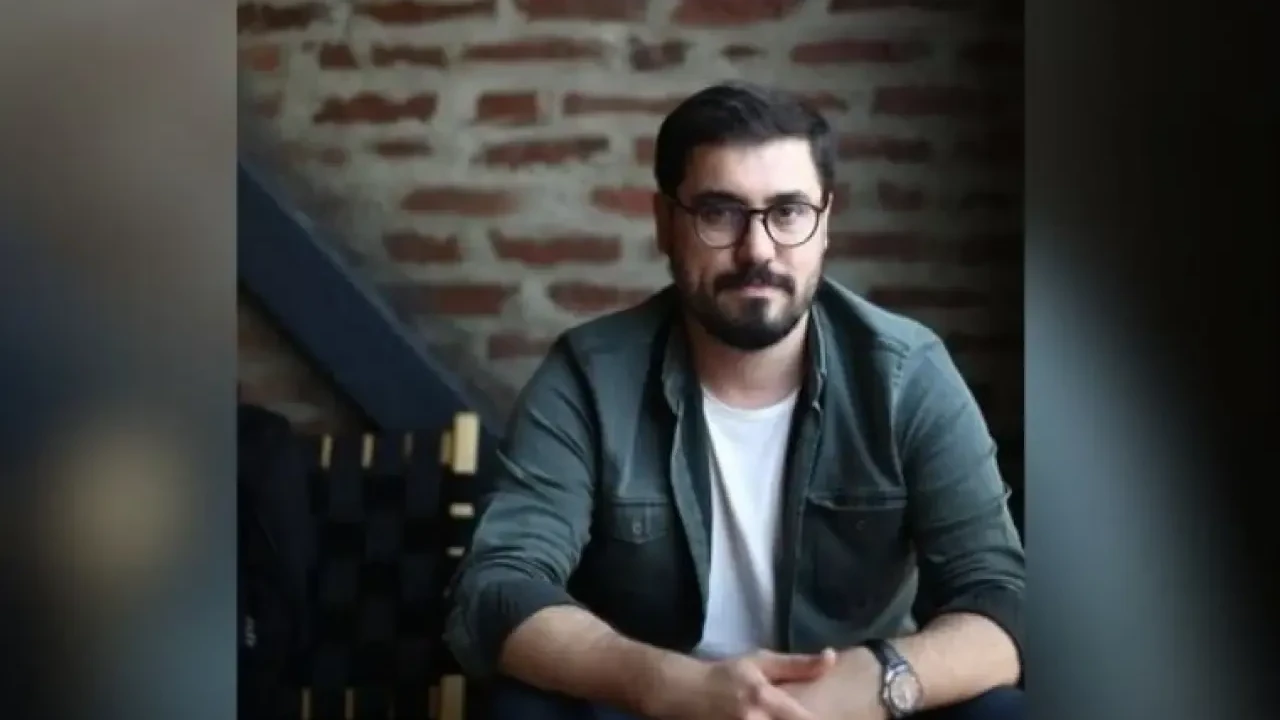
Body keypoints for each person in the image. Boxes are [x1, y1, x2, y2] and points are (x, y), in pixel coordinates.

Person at [443, 81, 1025, 720]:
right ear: (666, 223)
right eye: (720, 213)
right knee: (522, 708)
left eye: (789, 211)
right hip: (658, 708)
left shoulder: (905, 374)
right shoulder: (589, 376)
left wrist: (879, 681)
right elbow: (499, 586)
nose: (758, 250)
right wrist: (667, 685)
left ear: (824, 223)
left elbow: (1005, 597)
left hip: (851, 710)